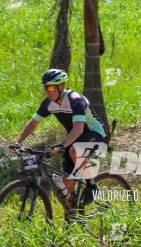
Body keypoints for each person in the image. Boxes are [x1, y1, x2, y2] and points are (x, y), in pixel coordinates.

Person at [11, 69, 107, 207]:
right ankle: (71, 220)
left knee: (74, 150)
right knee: (67, 187)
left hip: (95, 133)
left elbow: (79, 128)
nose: (47, 91)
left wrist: (62, 145)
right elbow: (33, 124)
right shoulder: (49, 103)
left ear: (61, 87)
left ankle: (92, 187)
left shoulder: (76, 100)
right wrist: (17, 143)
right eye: (45, 88)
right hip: (75, 137)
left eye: (50, 88)